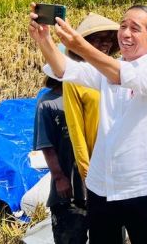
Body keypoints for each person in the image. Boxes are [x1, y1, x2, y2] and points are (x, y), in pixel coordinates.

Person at [29, 4, 147, 244]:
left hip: (141, 186)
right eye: (123, 26)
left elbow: (120, 74)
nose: (125, 33)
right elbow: (64, 69)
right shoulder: (106, 70)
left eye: (135, 29)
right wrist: (44, 39)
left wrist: (80, 46)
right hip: (101, 185)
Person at [63, 13, 119, 182]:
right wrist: (86, 169)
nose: (104, 43)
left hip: (124, 160)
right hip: (98, 162)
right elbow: (76, 128)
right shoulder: (74, 79)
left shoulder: (121, 71)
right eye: (97, 38)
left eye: (108, 38)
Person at [33, 76, 88, 244]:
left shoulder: (90, 95)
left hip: (97, 187)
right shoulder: (48, 103)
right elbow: (46, 146)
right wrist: (59, 177)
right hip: (69, 190)